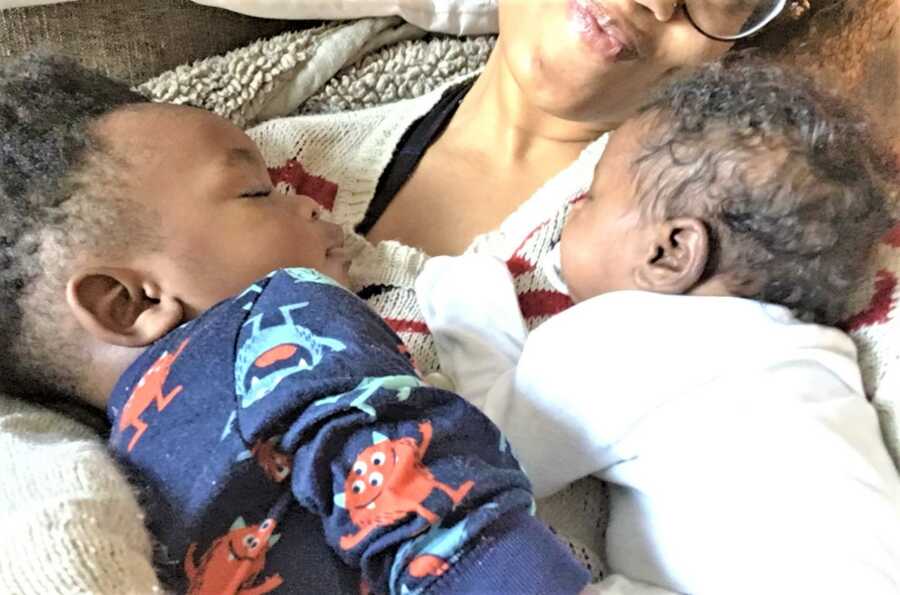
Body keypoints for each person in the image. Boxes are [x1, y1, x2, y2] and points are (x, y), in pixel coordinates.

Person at [0, 54, 592, 595]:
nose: (309, 202)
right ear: (131, 302)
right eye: (258, 192)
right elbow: (421, 491)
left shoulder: (119, 451)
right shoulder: (282, 317)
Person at [416, 58, 900, 594]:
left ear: (670, 253)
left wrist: (463, 294)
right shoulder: (815, 357)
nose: (570, 212)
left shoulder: (622, 335)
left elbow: (495, 447)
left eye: (592, 198)